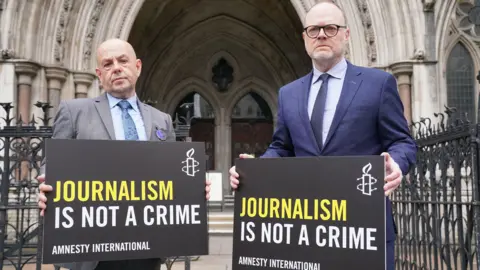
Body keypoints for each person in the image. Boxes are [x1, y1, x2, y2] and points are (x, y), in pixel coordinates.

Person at [229, 2, 417, 270]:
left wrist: (395, 165)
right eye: (314, 29)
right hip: (309, 231)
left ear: (346, 34)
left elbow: (402, 141)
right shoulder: (289, 93)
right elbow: (282, 147)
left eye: (330, 28)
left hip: (363, 229)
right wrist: (252, 169)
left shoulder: (378, 84)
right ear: (305, 37)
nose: (321, 35)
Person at [37, 38, 211, 270]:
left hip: (147, 246)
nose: (116, 67)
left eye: (122, 60)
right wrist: (46, 184)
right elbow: (53, 164)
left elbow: (174, 174)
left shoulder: (162, 120)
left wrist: (194, 187)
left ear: (137, 67)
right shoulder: (74, 111)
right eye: (107, 64)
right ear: (99, 75)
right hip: (93, 249)